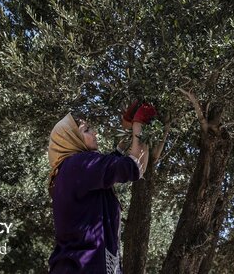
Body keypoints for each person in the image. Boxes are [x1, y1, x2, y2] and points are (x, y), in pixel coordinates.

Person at [47, 101, 157, 273]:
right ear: (72, 138)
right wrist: (140, 124)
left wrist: (128, 131)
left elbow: (109, 166)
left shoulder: (68, 171)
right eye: (87, 130)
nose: (95, 133)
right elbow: (134, 167)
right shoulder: (79, 164)